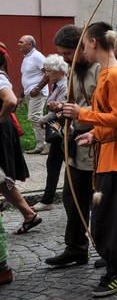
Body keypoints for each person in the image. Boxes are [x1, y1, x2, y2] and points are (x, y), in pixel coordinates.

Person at [61, 22, 117, 297]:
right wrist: (95, 134)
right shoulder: (110, 74)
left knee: (110, 218)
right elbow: (114, 119)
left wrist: (82, 116)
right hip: (111, 155)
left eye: (83, 44)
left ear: (94, 43)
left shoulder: (115, 75)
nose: (82, 50)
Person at [43, 26, 99, 268]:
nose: (65, 58)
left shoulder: (101, 70)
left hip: (99, 143)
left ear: (82, 47)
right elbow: (75, 103)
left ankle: (112, 252)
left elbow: (111, 113)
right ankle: (76, 248)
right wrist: (62, 108)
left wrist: (79, 113)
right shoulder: (75, 72)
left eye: (68, 53)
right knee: (71, 197)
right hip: (77, 143)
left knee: (101, 200)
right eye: (62, 54)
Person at [0, 45, 40, 234]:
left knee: (1, 178)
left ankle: (28, 214)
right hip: (4, 126)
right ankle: (28, 214)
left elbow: (11, 101)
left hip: (2, 127)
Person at [31, 55, 69, 212]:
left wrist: (42, 118)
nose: (46, 74)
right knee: (54, 163)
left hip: (62, 128)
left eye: (48, 71)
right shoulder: (57, 84)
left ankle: (49, 199)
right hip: (57, 129)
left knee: (60, 164)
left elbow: (59, 108)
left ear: (58, 70)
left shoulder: (64, 85)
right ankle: (48, 199)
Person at [17, 35, 49, 154]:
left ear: (29, 44)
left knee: (34, 117)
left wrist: (37, 88)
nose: (18, 44)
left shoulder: (37, 56)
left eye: (21, 42)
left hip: (38, 93)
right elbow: (25, 78)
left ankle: (49, 143)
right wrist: (20, 96)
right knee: (35, 118)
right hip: (29, 93)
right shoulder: (26, 58)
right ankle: (41, 145)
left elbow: (48, 73)